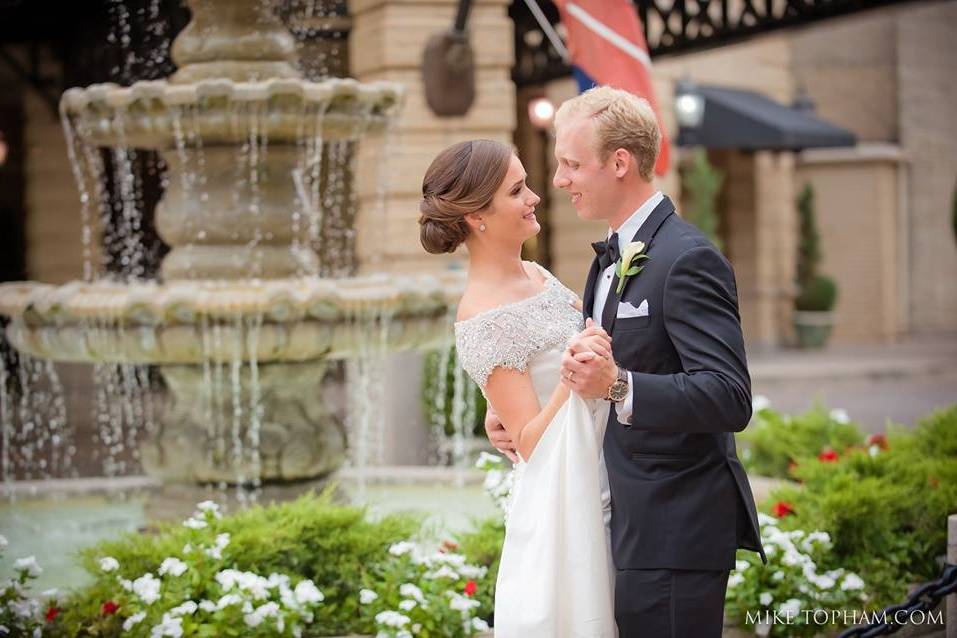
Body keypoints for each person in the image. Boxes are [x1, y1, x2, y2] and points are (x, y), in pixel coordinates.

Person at [484, 86, 767, 637]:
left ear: (620, 163)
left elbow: (729, 396)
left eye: (571, 164)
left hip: (673, 530)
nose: (559, 180)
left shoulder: (688, 259)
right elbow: (584, 377)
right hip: (618, 520)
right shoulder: (608, 258)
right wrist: (524, 416)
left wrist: (619, 385)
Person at [419, 139, 617, 637]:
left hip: (605, 465)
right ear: (475, 217)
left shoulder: (536, 273)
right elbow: (528, 442)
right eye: (517, 190)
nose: (534, 196)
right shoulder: (483, 313)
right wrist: (571, 379)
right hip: (564, 496)